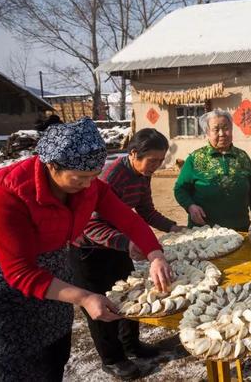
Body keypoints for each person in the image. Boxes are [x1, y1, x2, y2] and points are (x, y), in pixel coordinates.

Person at [0, 118, 172, 382]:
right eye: (81, 178)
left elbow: (129, 219)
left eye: (93, 176)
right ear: (52, 165)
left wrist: (155, 254)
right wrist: (84, 297)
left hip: (56, 271)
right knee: (19, 363)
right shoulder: (8, 195)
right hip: (10, 288)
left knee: (55, 354)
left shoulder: (88, 185)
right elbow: (20, 272)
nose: (89, 185)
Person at [69, 128, 183, 380]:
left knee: (128, 296)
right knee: (99, 303)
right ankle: (112, 359)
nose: (157, 165)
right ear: (133, 154)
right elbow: (90, 225)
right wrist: (127, 243)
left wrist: (172, 227)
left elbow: (146, 210)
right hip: (88, 249)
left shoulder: (142, 174)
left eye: (160, 160)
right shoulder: (110, 177)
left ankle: (132, 345)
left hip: (121, 243)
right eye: (152, 160)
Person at [174, 109, 251, 231]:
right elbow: (180, 188)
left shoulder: (242, 157)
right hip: (205, 231)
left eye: (226, 128)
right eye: (216, 129)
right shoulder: (195, 159)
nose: (222, 133)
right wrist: (190, 206)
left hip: (240, 229)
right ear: (207, 133)